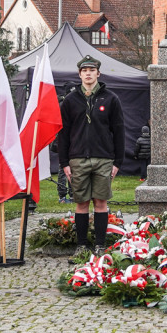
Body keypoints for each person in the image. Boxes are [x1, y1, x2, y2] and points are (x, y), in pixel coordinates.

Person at [56, 55, 126, 260]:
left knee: (101, 202)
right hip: (78, 159)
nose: (88, 74)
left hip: (103, 158)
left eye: (91, 70)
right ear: (79, 74)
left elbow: (119, 131)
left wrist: (117, 162)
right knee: (81, 203)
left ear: (98, 73)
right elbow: (64, 133)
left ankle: (100, 246)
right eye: (84, 71)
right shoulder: (70, 101)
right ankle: (81, 246)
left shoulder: (111, 99)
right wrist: (64, 163)